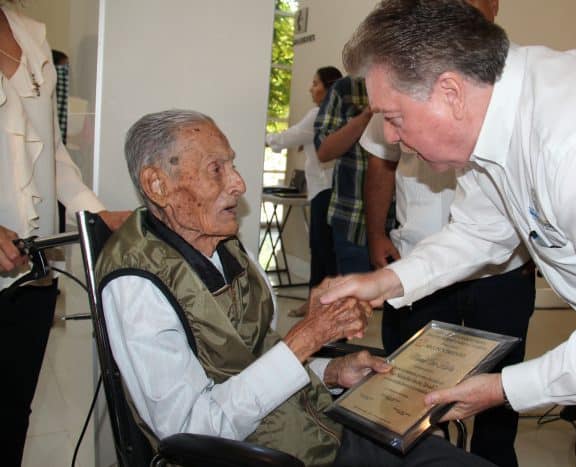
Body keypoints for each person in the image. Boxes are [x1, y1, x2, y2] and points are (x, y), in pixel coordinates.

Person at [320, 1, 576, 466]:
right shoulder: (499, 114)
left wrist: (504, 388)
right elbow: (481, 231)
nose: (391, 137)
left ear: (450, 92)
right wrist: (384, 282)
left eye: (394, 117)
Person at [98, 109, 495, 467]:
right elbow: (191, 430)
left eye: (233, 165)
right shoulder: (137, 285)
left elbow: (255, 360)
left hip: (316, 430)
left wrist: (331, 371)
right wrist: (305, 340)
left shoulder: (227, 246)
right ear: (157, 185)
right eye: (216, 169)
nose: (238, 184)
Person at [359, 5, 534, 466]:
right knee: (407, 395)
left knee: (498, 404)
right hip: (422, 262)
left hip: (501, 273)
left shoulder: (527, 108)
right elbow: (478, 229)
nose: (393, 136)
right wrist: (383, 261)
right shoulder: (405, 81)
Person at [0, 3, 129, 466]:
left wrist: (97, 215)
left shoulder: (31, 36)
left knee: (12, 414)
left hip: (31, 273)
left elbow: (53, 154)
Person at [266, 66, 342, 316]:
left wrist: (265, 138)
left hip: (324, 191)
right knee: (323, 251)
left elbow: (292, 136)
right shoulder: (335, 114)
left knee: (322, 251)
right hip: (328, 190)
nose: (311, 88)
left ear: (328, 88)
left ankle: (319, 306)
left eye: (315, 83)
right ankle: (318, 304)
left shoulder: (318, 114)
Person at [314, 75, 377, 275]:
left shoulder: (412, 82)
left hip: (404, 223)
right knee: (354, 294)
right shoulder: (346, 88)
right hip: (353, 220)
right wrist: (367, 115)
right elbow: (324, 151)